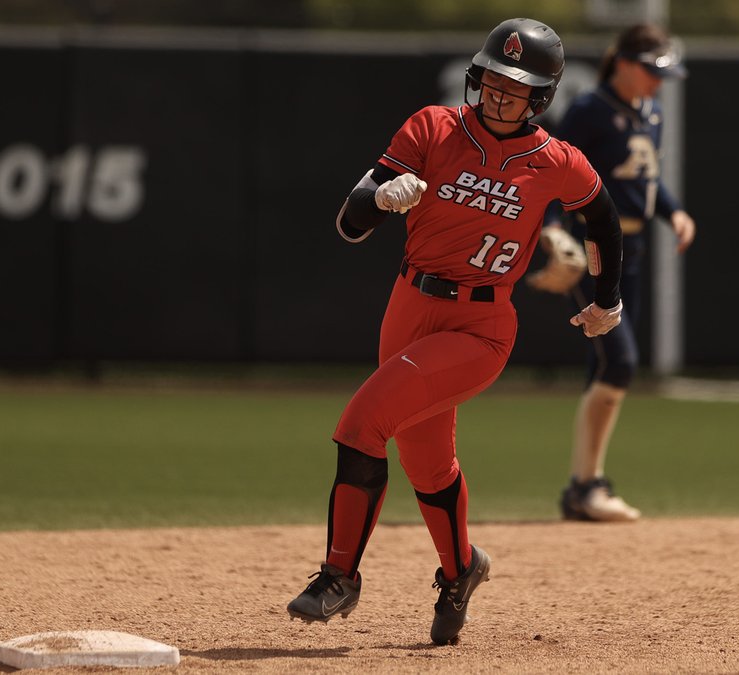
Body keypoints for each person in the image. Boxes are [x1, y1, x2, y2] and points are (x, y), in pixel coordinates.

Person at [286, 17, 626, 645]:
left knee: (362, 425)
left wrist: (607, 299)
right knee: (427, 461)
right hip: (408, 305)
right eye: (494, 76)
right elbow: (349, 223)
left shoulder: (556, 161)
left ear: (541, 96)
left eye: (516, 84)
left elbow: (603, 221)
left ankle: (339, 577)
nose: (500, 91)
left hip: (480, 325)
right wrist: (382, 197)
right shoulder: (432, 127)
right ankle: (461, 570)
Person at [540, 23, 696, 523]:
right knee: (621, 363)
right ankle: (588, 485)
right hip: (594, 246)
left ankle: (582, 490)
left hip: (635, 247)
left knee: (604, 366)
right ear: (624, 63)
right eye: (651, 71)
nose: (657, 82)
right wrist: (552, 232)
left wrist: (672, 211)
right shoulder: (590, 110)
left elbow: (644, 178)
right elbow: (554, 168)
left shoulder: (651, 112)